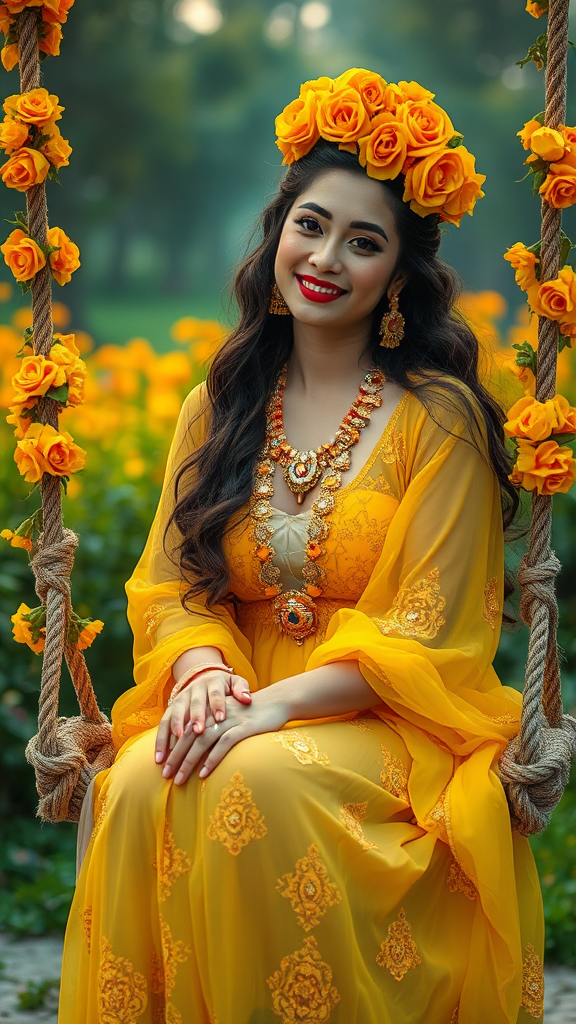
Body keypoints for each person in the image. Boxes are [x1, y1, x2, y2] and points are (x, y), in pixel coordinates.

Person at [58, 69, 544, 1024]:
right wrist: (201, 674)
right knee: (139, 779)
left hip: (389, 720)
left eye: (364, 242)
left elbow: (428, 630)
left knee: (253, 776)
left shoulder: (438, 421)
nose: (326, 256)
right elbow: (171, 582)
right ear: (278, 232)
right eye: (311, 225)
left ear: (399, 275)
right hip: (238, 686)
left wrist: (266, 710)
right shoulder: (221, 401)